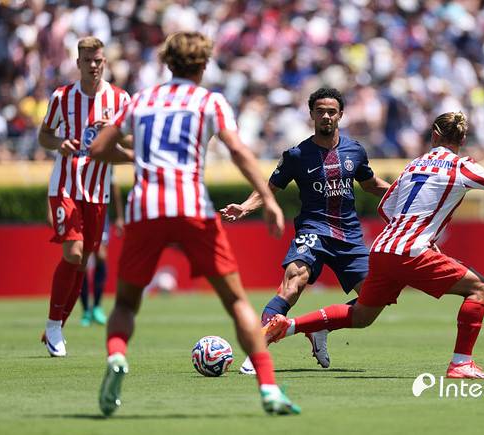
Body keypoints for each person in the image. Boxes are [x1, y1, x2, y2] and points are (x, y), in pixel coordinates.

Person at [262, 111, 484, 379]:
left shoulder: (414, 165)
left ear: (434, 135)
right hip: (412, 251)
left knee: (363, 315)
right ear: (462, 139)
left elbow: (386, 206)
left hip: (382, 248)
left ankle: (288, 326)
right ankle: (461, 364)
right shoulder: (461, 166)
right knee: (480, 288)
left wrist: (405, 231)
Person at [89, 31, 300, 416]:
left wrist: (139, 157)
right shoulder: (209, 101)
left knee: (125, 303)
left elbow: (98, 148)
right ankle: (269, 388)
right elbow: (238, 150)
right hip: (192, 207)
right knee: (236, 301)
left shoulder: (140, 100)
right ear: (203, 65)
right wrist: (267, 199)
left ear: (167, 62)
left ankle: (117, 356)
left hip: (144, 208)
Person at [220, 87, 390, 374]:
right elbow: (270, 188)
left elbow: (371, 185)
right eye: (320, 111)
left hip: (348, 234)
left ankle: (320, 327)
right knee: (293, 283)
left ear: (341, 115)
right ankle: (258, 350)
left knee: (375, 299)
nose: (326, 116)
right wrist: (246, 207)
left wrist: (404, 192)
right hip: (314, 229)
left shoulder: (355, 151)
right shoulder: (297, 155)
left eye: (331, 112)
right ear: (311, 114)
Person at [38, 36, 132, 357]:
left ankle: (56, 326)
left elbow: (133, 143)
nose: (93, 65)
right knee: (74, 253)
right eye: (87, 60)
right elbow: (44, 135)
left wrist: (114, 132)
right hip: (65, 185)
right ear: (78, 63)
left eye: (98, 60)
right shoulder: (62, 97)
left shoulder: (120, 99)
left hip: (98, 192)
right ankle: (54, 324)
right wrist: (59, 143)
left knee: (83, 263)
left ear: (104, 62)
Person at [79, 180, 124, 326]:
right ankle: (86, 310)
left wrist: (119, 216)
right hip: (79, 208)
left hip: (99, 208)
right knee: (81, 259)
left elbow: (114, 186)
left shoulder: (107, 165)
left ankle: (97, 306)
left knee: (100, 255)